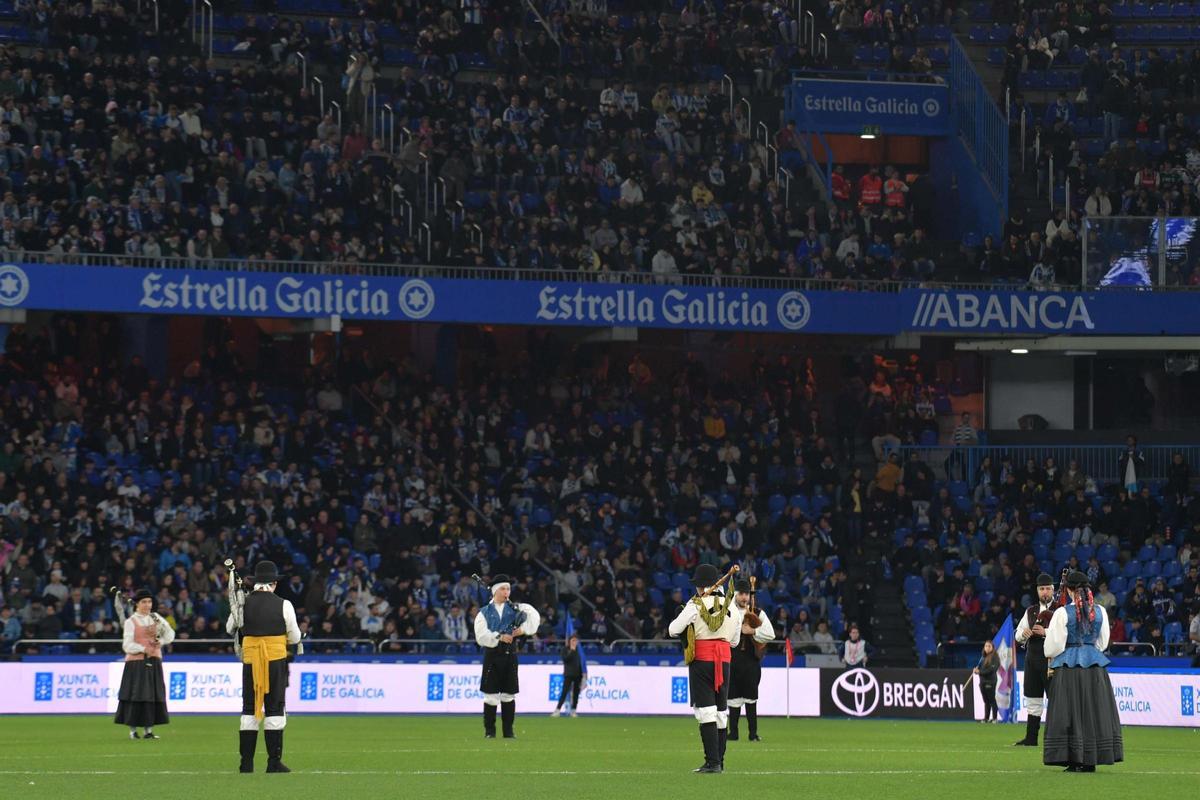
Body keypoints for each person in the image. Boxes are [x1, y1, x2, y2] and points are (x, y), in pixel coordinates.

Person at [1043, 570, 1124, 772]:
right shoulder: (1101, 611)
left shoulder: (1062, 613)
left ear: (1069, 590)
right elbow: (1102, 643)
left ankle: (1074, 758)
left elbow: (1052, 647)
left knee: (1069, 711)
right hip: (1095, 667)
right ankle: (1091, 759)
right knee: (1094, 711)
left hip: (1069, 667)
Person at [668, 564, 744, 774]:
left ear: (701, 586)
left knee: (705, 711)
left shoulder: (695, 604)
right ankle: (719, 761)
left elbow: (673, 630)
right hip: (724, 661)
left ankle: (712, 762)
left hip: (702, 660)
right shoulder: (732, 607)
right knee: (720, 712)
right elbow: (735, 642)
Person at [227, 561, 302, 773]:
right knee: (275, 708)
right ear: (274, 583)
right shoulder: (284, 604)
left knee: (249, 707)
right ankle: (273, 762)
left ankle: (246, 763)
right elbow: (295, 636)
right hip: (275, 661)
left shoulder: (243, 603)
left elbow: (230, 627)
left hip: (251, 660)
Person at [473, 573, 541, 738]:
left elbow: (534, 618)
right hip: (492, 655)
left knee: (508, 695)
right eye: (503, 589)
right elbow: (480, 636)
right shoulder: (484, 612)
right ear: (495, 591)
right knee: (490, 696)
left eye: (508, 589)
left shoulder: (516, 609)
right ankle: (490, 732)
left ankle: (508, 732)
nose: (506, 592)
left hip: (510, 655)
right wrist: (499, 636)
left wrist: (521, 630)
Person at [114, 589, 174, 739]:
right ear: (137, 604)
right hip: (137, 663)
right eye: (144, 602)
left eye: (149, 602)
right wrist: (143, 648)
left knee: (151, 696)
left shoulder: (156, 617)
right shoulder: (131, 621)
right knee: (136, 695)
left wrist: (161, 642)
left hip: (154, 660)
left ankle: (148, 731)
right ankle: (133, 731)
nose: (147, 605)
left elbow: (170, 633)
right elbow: (127, 645)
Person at [727, 576, 775, 742]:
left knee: (751, 698)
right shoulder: (727, 612)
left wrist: (753, 631)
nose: (744, 597)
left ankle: (752, 733)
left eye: (746, 594)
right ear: (735, 594)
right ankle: (733, 733)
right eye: (741, 594)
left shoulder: (758, 612)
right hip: (732, 661)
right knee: (733, 699)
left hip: (751, 662)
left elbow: (770, 634)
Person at [1013, 573, 1055, 746]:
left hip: (1052, 661)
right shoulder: (1030, 611)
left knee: (1056, 700)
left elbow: (1067, 634)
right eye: (1041, 589)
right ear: (1037, 591)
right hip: (1032, 659)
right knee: (1033, 699)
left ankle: (1054, 739)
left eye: (1047, 589)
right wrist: (1023, 634)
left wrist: (1046, 632)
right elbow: (1017, 634)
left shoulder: (1061, 610)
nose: (1045, 592)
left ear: (1053, 590)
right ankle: (1031, 738)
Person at [552, 633, 586, 717]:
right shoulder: (565, 649)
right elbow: (565, 659)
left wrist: (583, 675)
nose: (574, 642)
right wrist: (572, 651)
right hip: (568, 674)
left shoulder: (579, 651)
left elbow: (581, 663)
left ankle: (573, 710)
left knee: (576, 693)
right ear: (570, 641)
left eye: (576, 641)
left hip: (578, 675)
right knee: (564, 692)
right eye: (573, 640)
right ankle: (557, 710)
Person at [974, 639, 1000, 723]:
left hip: (990, 681)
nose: (987, 648)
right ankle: (986, 718)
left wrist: (979, 672)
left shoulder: (995, 657)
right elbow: (980, 668)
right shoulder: (983, 657)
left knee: (992, 700)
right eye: (986, 646)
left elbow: (991, 670)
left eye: (989, 646)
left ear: (992, 648)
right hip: (982, 681)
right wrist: (976, 670)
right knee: (986, 701)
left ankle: (995, 718)